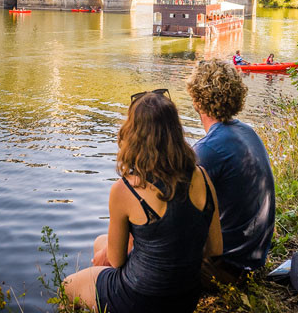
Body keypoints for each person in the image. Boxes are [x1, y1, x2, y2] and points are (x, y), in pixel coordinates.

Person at [63, 90, 222, 312]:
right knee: (101, 242)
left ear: (133, 134)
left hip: (140, 299)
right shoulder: (203, 176)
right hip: (187, 297)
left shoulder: (125, 189)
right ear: (175, 131)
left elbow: (117, 261)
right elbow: (215, 248)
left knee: (67, 286)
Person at [186, 60, 275, 286]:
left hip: (228, 269)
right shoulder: (248, 132)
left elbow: (176, 218)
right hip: (254, 259)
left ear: (196, 100)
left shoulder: (207, 151)